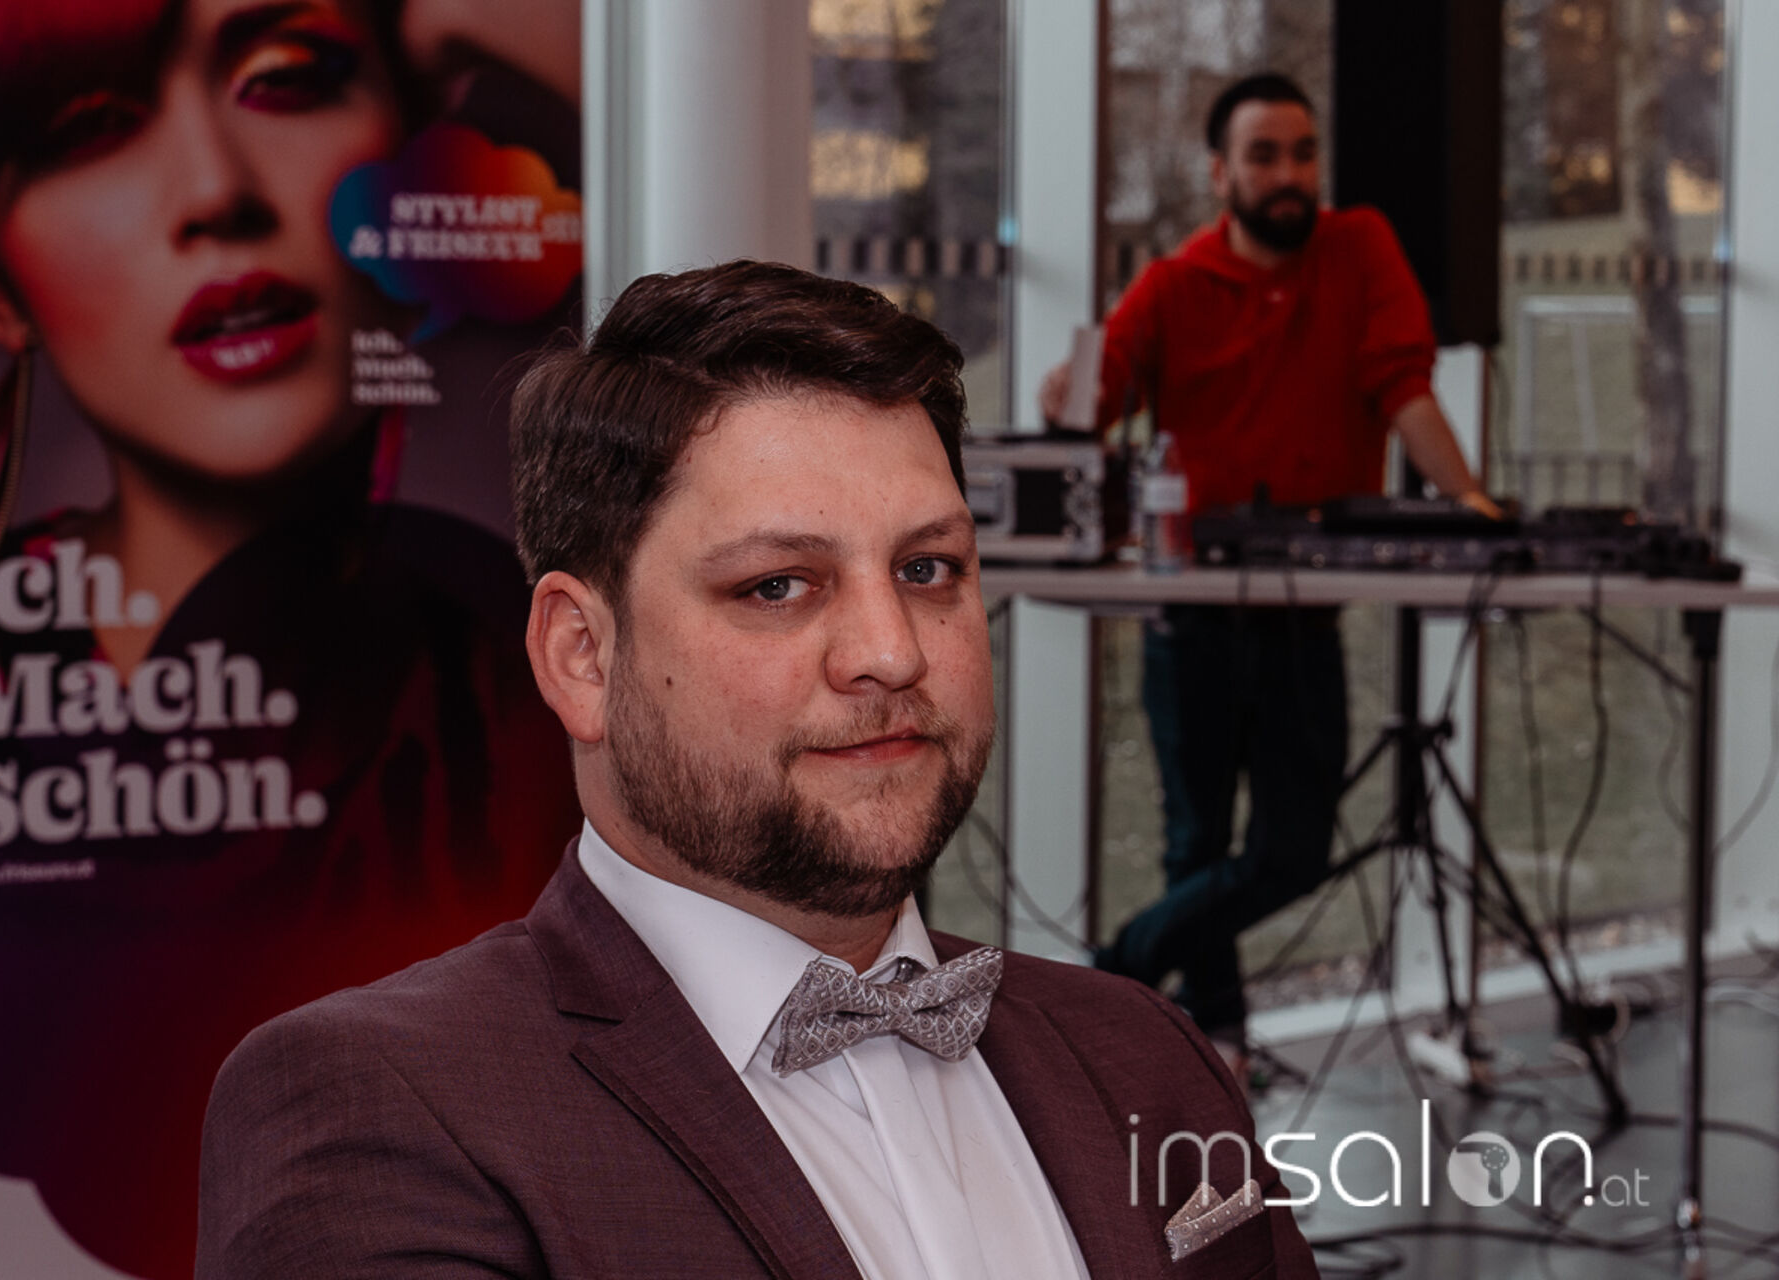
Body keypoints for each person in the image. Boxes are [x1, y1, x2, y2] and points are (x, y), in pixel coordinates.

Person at [196, 260, 1321, 1279]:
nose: (891, 652)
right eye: (778, 585)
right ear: (582, 656)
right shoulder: (382, 1106)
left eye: (929, 568)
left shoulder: (1144, 1051)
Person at [0, 2, 583, 1274]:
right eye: (90, 129)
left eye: (290, 77)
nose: (216, 191)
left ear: (403, 142)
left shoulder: (552, 664)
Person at [1039, 73, 1498, 1068]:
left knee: (1294, 852)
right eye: (1263, 155)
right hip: (1192, 614)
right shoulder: (1173, 284)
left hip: (1303, 615)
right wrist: (1065, 391)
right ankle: (1217, 1043)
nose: (1288, 173)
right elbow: (1087, 408)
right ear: (1220, 173)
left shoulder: (1360, 246)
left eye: (1302, 153)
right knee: (1194, 844)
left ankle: (1112, 970)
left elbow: (1404, 391)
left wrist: (1472, 505)